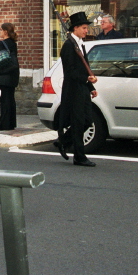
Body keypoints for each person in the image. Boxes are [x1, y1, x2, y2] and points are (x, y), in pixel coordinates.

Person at [55, 11, 98, 167]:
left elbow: (84, 68)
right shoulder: (68, 46)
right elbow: (71, 71)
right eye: (84, 28)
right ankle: (79, 156)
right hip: (73, 90)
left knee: (87, 121)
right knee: (79, 122)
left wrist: (90, 86)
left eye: (87, 28)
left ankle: (63, 142)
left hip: (83, 88)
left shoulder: (80, 44)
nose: (87, 31)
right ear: (76, 28)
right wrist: (86, 79)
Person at [0, 22, 20, 130]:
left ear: (5, 31)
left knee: (4, 101)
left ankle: (4, 124)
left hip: (3, 75)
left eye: (1, 30)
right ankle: (11, 123)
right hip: (12, 75)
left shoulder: (2, 44)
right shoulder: (12, 43)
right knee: (10, 99)